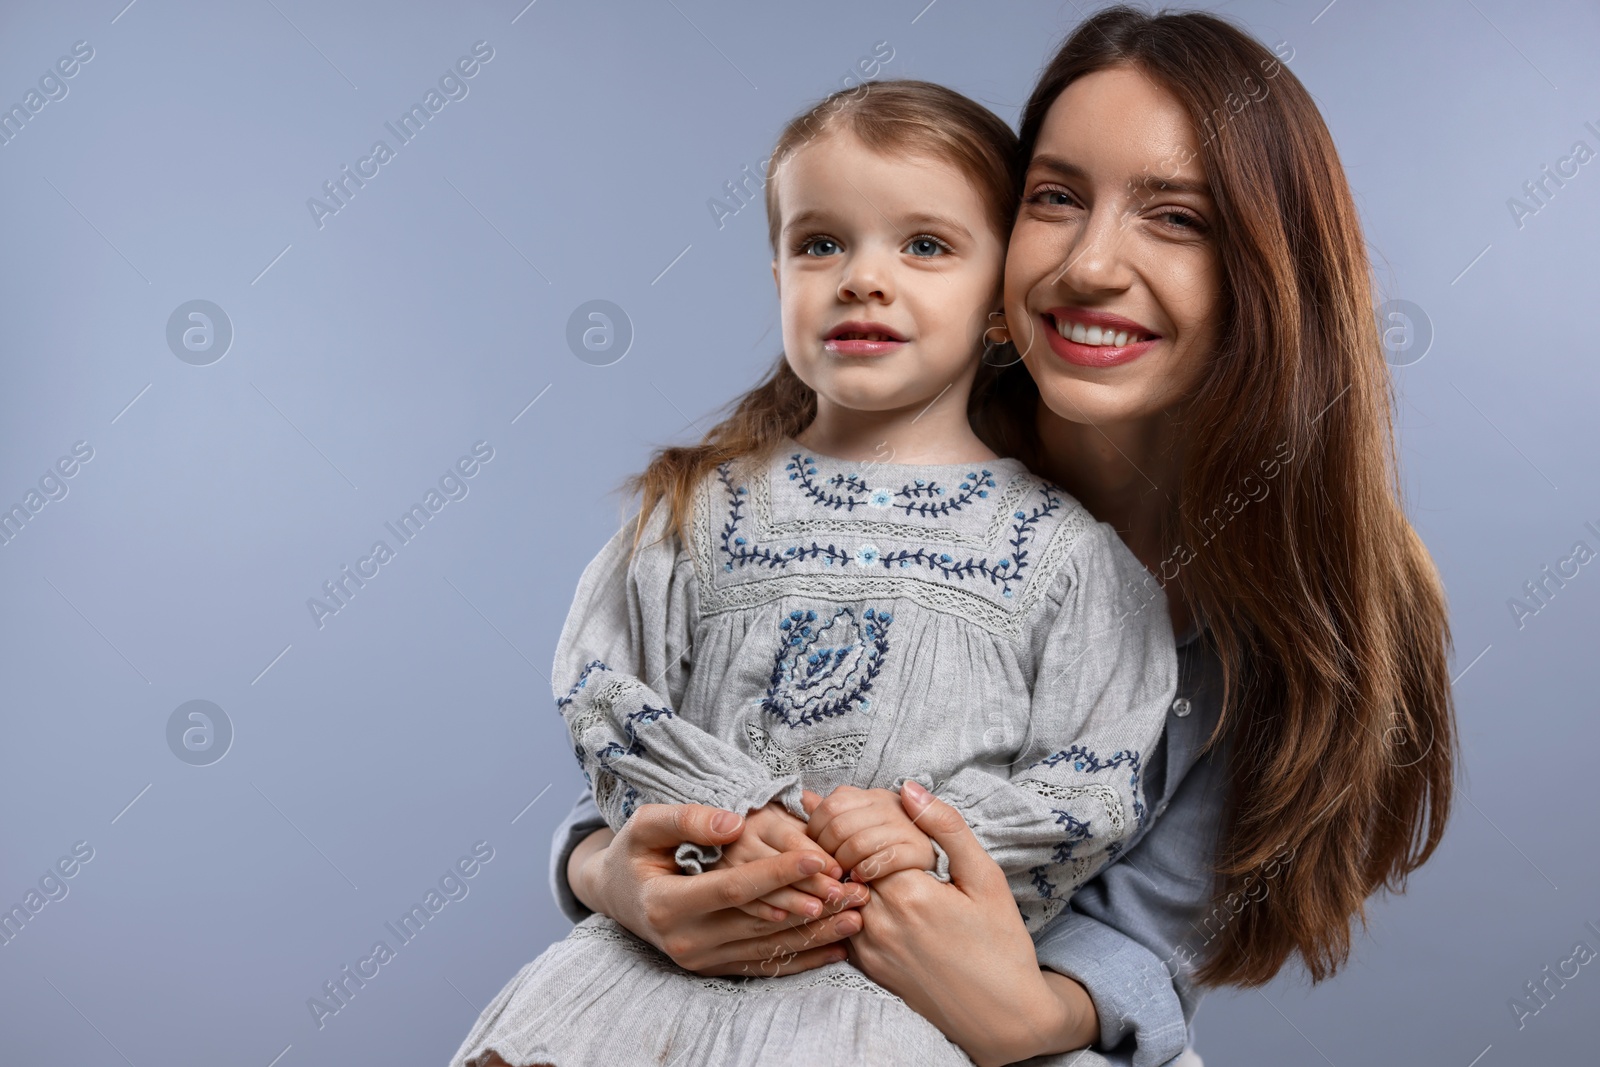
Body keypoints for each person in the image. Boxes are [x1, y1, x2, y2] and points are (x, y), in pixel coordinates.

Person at [467, 6, 1458, 1065]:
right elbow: (660, 732)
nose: (1088, 264)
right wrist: (607, 871)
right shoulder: (812, 457)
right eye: (1056, 197)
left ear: (1267, 270)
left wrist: (1040, 1014)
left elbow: (1150, 936)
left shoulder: (1284, 598)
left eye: (1177, 217)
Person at [450, 77, 1183, 1067]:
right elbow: (604, 694)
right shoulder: (692, 510)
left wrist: (930, 845)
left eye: (923, 245)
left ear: (1003, 306)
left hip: (901, 996)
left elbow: (1093, 779)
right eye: (818, 242)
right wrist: (731, 815)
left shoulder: (1068, 558)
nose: (861, 278)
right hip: (672, 959)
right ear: (777, 273)